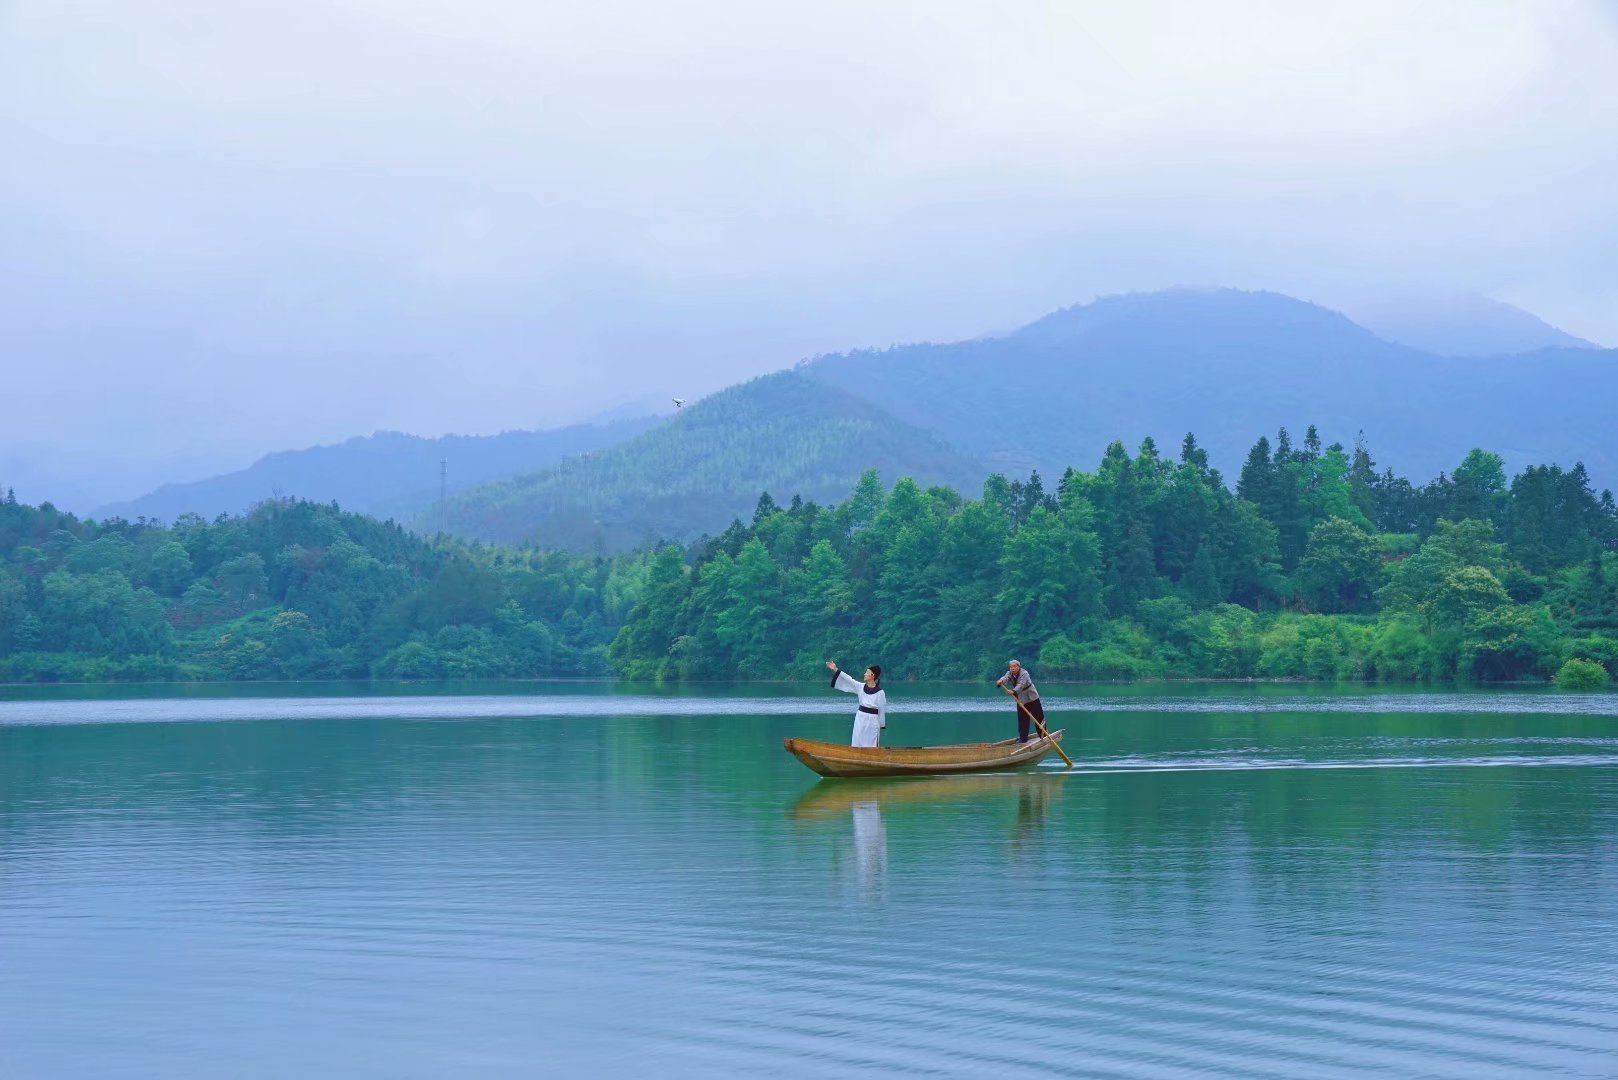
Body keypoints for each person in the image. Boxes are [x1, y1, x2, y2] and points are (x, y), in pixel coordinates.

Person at [825, 660, 886, 747]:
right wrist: (835, 669)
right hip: (860, 718)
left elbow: (882, 710)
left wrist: (881, 724)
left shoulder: (880, 692)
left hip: (872, 721)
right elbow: (849, 680)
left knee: (871, 742)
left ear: (873, 676)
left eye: (867, 672)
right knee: (858, 740)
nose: (864, 674)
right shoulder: (860, 687)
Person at [995, 659, 1044, 743]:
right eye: (1011, 667)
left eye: (1014, 666)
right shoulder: (1009, 673)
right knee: (1022, 719)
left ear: (1018, 666)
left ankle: (1043, 735)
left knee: (1038, 717)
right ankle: (1023, 738)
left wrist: (1013, 691)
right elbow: (1005, 678)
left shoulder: (1024, 673)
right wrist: (1001, 681)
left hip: (1031, 697)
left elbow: (1021, 685)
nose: (1012, 668)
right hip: (1021, 698)